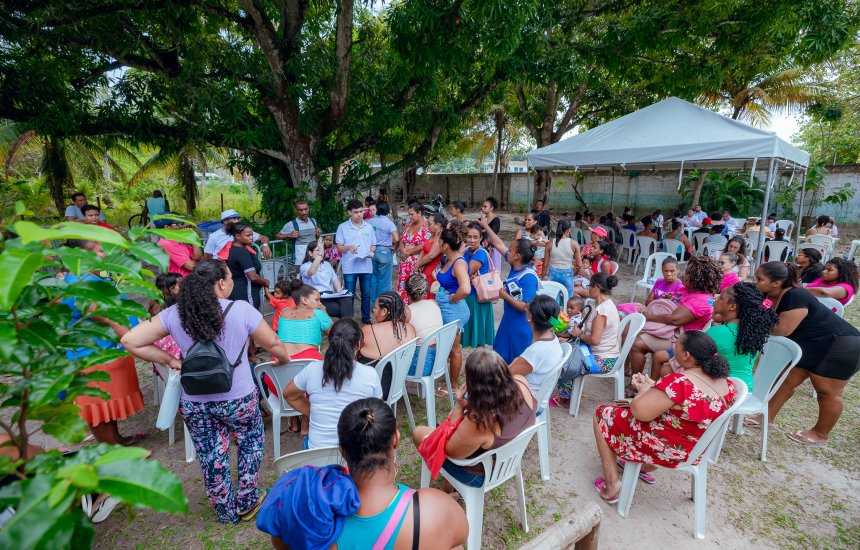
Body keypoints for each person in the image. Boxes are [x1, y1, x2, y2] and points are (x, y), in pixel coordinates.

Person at [121, 260, 292, 523]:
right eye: (230, 278)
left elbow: (130, 340)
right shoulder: (241, 310)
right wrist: (282, 360)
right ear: (222, 283)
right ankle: (247, 501)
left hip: (195, 401)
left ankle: (224, 510)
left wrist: (169, 360)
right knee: (250, 442)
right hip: (239, 397)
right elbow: (273, 342)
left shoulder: (176, 313)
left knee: (211, 454)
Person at [257, 398, 468, 550]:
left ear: (342, 450)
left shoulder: (307, 510)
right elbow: (461, 534)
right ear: (395, 439)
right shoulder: (436, 509)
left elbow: (280, 541)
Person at [593, 331, 737, 501]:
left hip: (668, 449)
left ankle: (612, 485)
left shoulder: (680, 382)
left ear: (686, 355)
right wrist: (655, 388)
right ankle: (642, 469)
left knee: (603, 412)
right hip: (695, 448)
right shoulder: (727, 384)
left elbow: (640, 412)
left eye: (677, 343)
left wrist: (644, 390)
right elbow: (684, 407)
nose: (673, 345)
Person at [755, 262, 860, 446]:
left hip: (840, 345)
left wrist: (753, 321)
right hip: (812, 344)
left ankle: (820, 434)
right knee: (786, 381)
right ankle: (765, 417)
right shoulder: (770, 295)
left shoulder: (795, 295)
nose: (756, 283)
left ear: (776, 282)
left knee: (827, 392)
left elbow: (783, 329)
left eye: (760, 279)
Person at [411, 348, 536, 489]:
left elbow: (451, 451)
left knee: (419, 432)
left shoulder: (480, 422)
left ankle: (450, 489)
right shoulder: (521, 382)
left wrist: (458, 407)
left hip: (483, 475)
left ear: (474, 385)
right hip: (508, 458)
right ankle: (449, 489)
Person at [63, 242, 145, 446]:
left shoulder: (94, 277)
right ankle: (111, 452)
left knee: (108, 401)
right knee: (97, 405)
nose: (104, 253)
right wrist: (134, 340)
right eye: (98, 250)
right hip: (92, 355)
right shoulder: (80, 283)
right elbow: (103, 315)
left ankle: (116, 440)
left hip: (107, 350)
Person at [285, 319, 383, 449]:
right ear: (358, 344)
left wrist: (311, 411)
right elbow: (377, 412)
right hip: (355, 456)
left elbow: (289, 394)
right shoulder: (370, 374)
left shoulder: (312, 369)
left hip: (316, 456)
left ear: (331, 341)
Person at [629, 255, 722, 375]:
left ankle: (639, 383)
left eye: (687, 272)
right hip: (673, 333)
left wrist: (647, 315)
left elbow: (674, 319)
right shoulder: (690, 291)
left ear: (695, 278)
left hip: (683, 340)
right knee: (635, 333)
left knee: (637, 344)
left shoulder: (701, 301)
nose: (683, 274)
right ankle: (642, 382)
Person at [479, 217, 540, 363]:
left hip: (520, 327)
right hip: (508, 322)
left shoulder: (529, 278)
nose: (507, 251)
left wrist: (503, 295)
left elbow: (525, 306)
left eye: (511, 250)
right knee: (499, 361)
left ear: (518, 256)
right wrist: (486, 227)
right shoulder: (516, 266)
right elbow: (498, 243)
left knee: (514, 365)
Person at [555, 273, 621, 402]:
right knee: (566, 348)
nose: (588, 289)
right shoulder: (605, 305)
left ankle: (565, 397)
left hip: (604, 360)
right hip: (604, 354)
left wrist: (579, 334)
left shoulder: (602, 311)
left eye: (590, 286)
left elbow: (595, 340)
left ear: (597, 287)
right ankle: (568, 393)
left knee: (564, 358)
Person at [704, 282, 777, 390]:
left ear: (732, 306)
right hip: (746, 390)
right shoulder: (754, 334)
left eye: (721, 298)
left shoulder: (716, 332)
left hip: (720, 390)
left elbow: (694, 362)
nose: (716, 300)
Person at [434, 227, 471, 385]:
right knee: (449, 347)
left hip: (454, 310)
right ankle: (448, 378)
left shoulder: (458, 263)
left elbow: (466, 289)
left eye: (440, 241)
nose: (438, 243)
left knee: (455, 349)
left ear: (446, 245)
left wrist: (452, 298)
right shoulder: (449, 258)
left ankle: (454, 386)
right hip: (447, 308)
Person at [508, 295, 565, 395]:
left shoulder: (535, 351)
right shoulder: (553, 339)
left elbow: (506, 375)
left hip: (524, 398)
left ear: (530, 317)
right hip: (539, 393)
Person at [336, 199, 377, 324]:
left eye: (361, 211)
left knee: (366, 294)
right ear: (349, 212)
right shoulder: (342, 227)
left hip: (366, 265)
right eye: (356, 212)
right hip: (350, 266)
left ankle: (366, 318)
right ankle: (349, 319)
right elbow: (339, 247)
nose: (359, 214)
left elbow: (373, 244)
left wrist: (371, 252)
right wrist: (349, 247)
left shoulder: (368, 227)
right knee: (349, 295)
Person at [358, 292, 417, 373]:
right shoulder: (410, 329)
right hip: (399, 378)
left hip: (375, 381)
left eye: (375, 308)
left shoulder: (368, 330)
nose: (373, 311)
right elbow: (407, 315)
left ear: (384, 311)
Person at [276, 280, 333, 358]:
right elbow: (335, 335)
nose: (320, 303)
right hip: (308, 361)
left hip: (280, 360)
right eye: (317, 300)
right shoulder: (317, 313)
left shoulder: (283, 312)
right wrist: (325, 313)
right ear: (304, 300)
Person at [461, 223, 496, 348]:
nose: (472, 240)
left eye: (475, 237)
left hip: (477, 297)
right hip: (471, 295)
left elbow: (465, 273)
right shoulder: (467, 251)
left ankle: (480, 362)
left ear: (481, 238)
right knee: (475, 330)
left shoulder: (480, 253)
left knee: (478, 335)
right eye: (469, 236)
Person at [299, 240, 352, 318]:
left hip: (330, 295)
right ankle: (347, 327)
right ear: (310, 253)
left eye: (322, 250)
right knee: (344, 309)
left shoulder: (327, 264)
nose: (321, 252)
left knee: (347, 299)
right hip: (317, 298)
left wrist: (340, 292)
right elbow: (311, 272)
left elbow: (335, 280)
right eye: (318, 250)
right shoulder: (305, 266)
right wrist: (319, 257)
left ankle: (345, 326)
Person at [405, 274, 443, 377]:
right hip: (440, 361)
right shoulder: (434, 303)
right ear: (425, 293)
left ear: (407, 293)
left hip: (419, 367)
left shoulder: (407, 312)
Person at [227, 222, 269, 310]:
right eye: (248, 235)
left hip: (235, 291)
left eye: (252, 235)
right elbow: (253, 277)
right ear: (237, 236)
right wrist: (265, 282)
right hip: (246, 293)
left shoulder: (231, 248)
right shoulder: (242, 252)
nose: (251, 238)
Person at [397, 201, 431, 304]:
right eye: (409, 214)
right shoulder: (408, 225)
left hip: (415, 264)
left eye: (412, 214)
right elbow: (402, 240)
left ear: (419, 213)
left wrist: (409, 252)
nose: (410, 217)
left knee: (413, 289)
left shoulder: (426, 226)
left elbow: (425, 245)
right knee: (402, 288)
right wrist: (403, 250)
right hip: (404, 263)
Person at [367, 201, 399, 306]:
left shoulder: (370, 222)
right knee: (385, 281)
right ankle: (384, 305)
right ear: (388, 210)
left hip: (372, 251)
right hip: (385, 252)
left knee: (373, 279)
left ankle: (373, 305)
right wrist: (394, 248)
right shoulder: (389, 223)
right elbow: (396, 238)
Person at [204, 209, 271, 260]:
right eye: (234, 218)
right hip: (222, 266)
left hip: (242, 263)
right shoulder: (214, 236)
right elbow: (208, 255)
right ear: (225, 221)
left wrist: (265, 245)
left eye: (238, 218)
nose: (237, 221)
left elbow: (263, 237)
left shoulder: (243, 232)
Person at [276, 199, 320, 265]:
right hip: (300, 260)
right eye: (301, 210)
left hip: (314, 257)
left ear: (309, 209)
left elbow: (316, 237)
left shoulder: (313, 221)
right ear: (296, 211)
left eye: (306, 209)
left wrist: (318, 234)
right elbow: (277, 236)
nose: (304, 212)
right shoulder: (292, 224)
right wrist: (289, 235)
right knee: (300, 275)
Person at [546, 220, 582, 296]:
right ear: (569, 230)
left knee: (553, 296)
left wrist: (543, 277)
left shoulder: (550, 243)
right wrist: (574, 273)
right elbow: (579, 265)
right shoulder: (574, 244)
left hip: (552, 274)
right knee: (567, 298)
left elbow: (545, 264)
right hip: (567, 274)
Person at [418, 213, 445, 298]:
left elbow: (431, 256)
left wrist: (418, 264)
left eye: (430, 224)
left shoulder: (441, 238)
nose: (427, 227)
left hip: (432, 272)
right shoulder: (431, 235)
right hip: (424, 270)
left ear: (438, 225)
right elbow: (423, 249)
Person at [516, 212, 549, 276]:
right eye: (525, 219)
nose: (526, 221)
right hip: (524, 261)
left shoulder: (539, 232)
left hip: (537, 262)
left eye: (529, 220)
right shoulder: (521, 231)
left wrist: (539, 241)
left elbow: (546, 243)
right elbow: (517, 244)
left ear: (535, 222)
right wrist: (534, 242)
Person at [481, 196, 503, 269]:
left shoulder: (496, 220)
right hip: (483, 247)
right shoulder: (481, 219)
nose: (482, 208)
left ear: (491, 208)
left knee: (493, 268)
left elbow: (493, 233)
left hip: (493, 248)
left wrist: (484, 228)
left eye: (485, 206)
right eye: (482, 206)